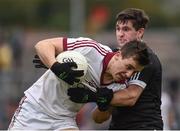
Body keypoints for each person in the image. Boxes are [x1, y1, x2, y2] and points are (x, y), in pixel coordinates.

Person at [8, 37, 149, 130]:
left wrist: (103, 103)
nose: (129, 74)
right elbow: (42, 45)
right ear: (118, 55)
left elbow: (98, 119)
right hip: (35, 108)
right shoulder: (91, 49)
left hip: (64, 120)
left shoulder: (120, 85)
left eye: (134, 72)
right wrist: (55, 66)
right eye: (129, 67)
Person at [67, 8, 163, 130]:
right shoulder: (113, 61)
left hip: (144, 126)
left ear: (139, 33)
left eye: (126, 29)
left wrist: (91, 96)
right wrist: (60, 64)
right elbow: (98, 117)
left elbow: (130, 97)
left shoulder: (145, 59)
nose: (120, 34)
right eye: (118, 29)